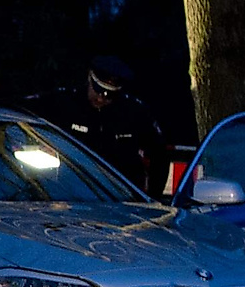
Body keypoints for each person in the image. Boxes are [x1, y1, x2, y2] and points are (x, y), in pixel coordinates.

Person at [27, 56, 168, 194]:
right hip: (68, 191)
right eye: (98, 90)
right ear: (90, 77)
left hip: (121, 195)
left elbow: (160, 155)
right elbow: (20, 109)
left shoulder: (134, 112)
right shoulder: (64, 103)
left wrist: (154, 195)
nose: (101, 98)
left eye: (109, 95)